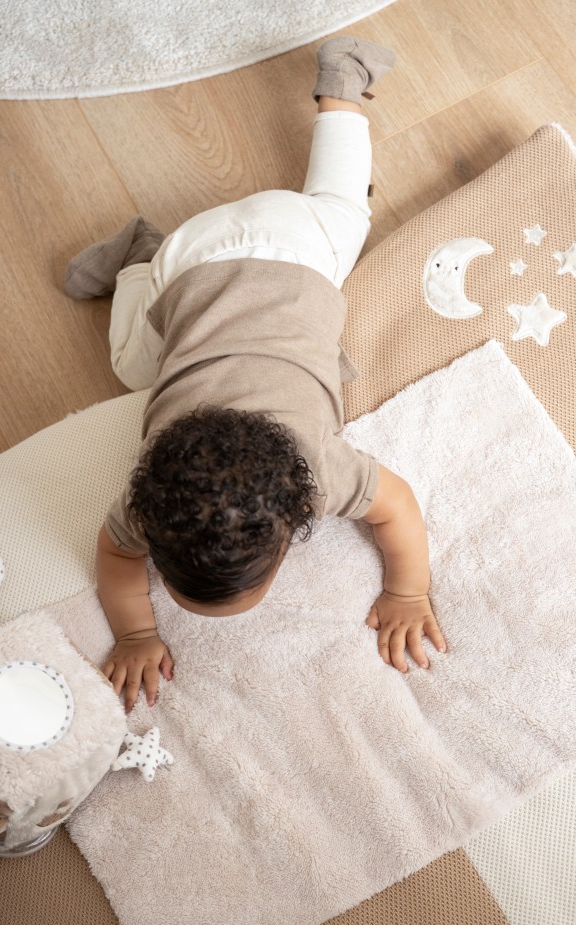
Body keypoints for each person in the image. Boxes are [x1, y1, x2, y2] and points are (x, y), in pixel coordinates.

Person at [64, 36, 446, 715]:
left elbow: (400, 510)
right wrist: (137, 634)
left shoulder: (315, 471)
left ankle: (140, 256)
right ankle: (142, 255)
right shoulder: (163, 495)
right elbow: (119, 561)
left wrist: (410, 592)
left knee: (341, 207)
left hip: (288, 248)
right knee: (135, 367)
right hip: (208, 255)